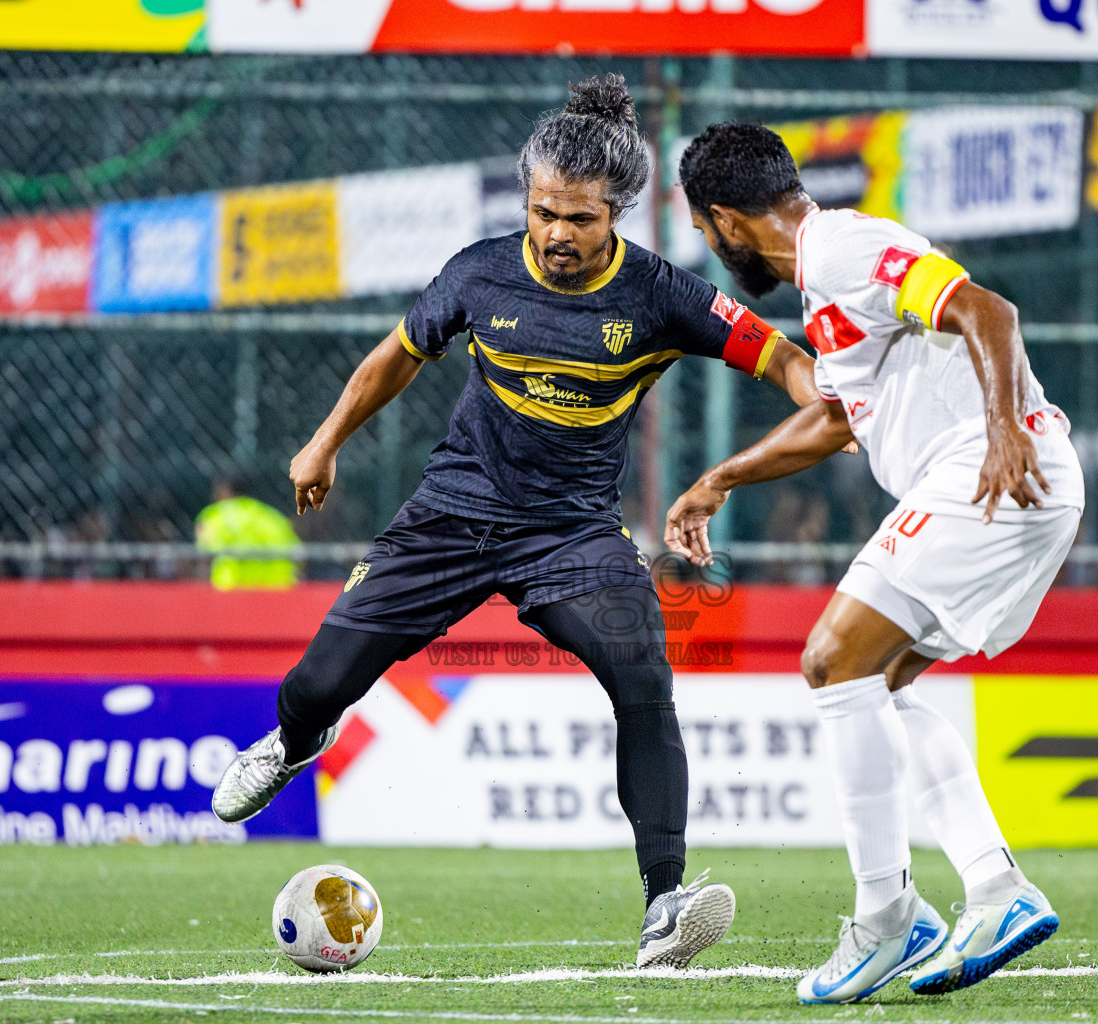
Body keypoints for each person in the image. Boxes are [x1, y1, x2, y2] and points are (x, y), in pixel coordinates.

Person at [213, 76, 832, 969]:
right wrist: (325, 442)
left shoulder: (661, 294)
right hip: (451, 513)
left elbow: (777, 354)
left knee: (642, 673)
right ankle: (295, 742)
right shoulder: (480, 271)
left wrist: (826, 400)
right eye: (543, 212)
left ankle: (665, 906)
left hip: (572, 534)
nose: (557, 233)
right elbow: (398, 355)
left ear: (616, 212)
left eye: (580, 218)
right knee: (314, 687)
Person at [666, 123, 1084, 1003]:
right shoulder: (829, 281)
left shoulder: (843, 247)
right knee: (878, 685)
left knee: (831, 660)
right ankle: (994, 889)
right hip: (1013, 480)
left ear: (726, 221)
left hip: (990, 469)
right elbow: (835, 418)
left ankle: (887, 917)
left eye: (705, 231)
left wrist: (1002, 429)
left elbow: (987, 310)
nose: (712, 247)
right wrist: (721, 478)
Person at [195, 473, 301, 590]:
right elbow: (298, 555)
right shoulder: (271, 516)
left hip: (232, 588)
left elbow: (204, 556)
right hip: (276, 587)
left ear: (224, 491)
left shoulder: (214, 516)